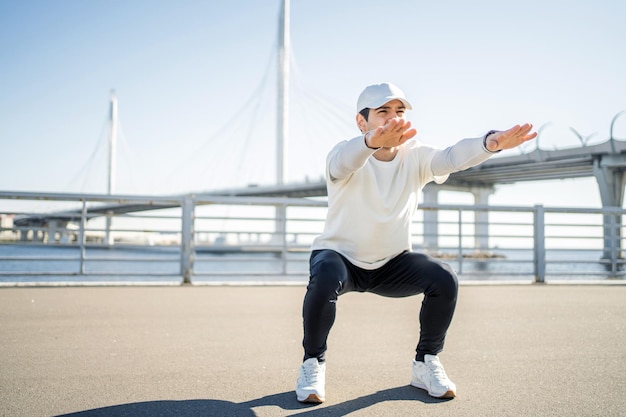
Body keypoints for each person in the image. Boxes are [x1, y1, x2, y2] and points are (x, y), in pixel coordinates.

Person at [295, 82, 537, 403]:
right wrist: (370, 143)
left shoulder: (416, 155)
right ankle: (313, 362)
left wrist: (488, 143)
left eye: (399, 111)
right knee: (324, 277)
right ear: (361, 121)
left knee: (443, 278)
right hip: (340, 258)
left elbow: (451, 157)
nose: (394, 119)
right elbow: (345, 163)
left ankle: (425, 363)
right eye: (383, 112)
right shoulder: (343, 153)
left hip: (392, 263)